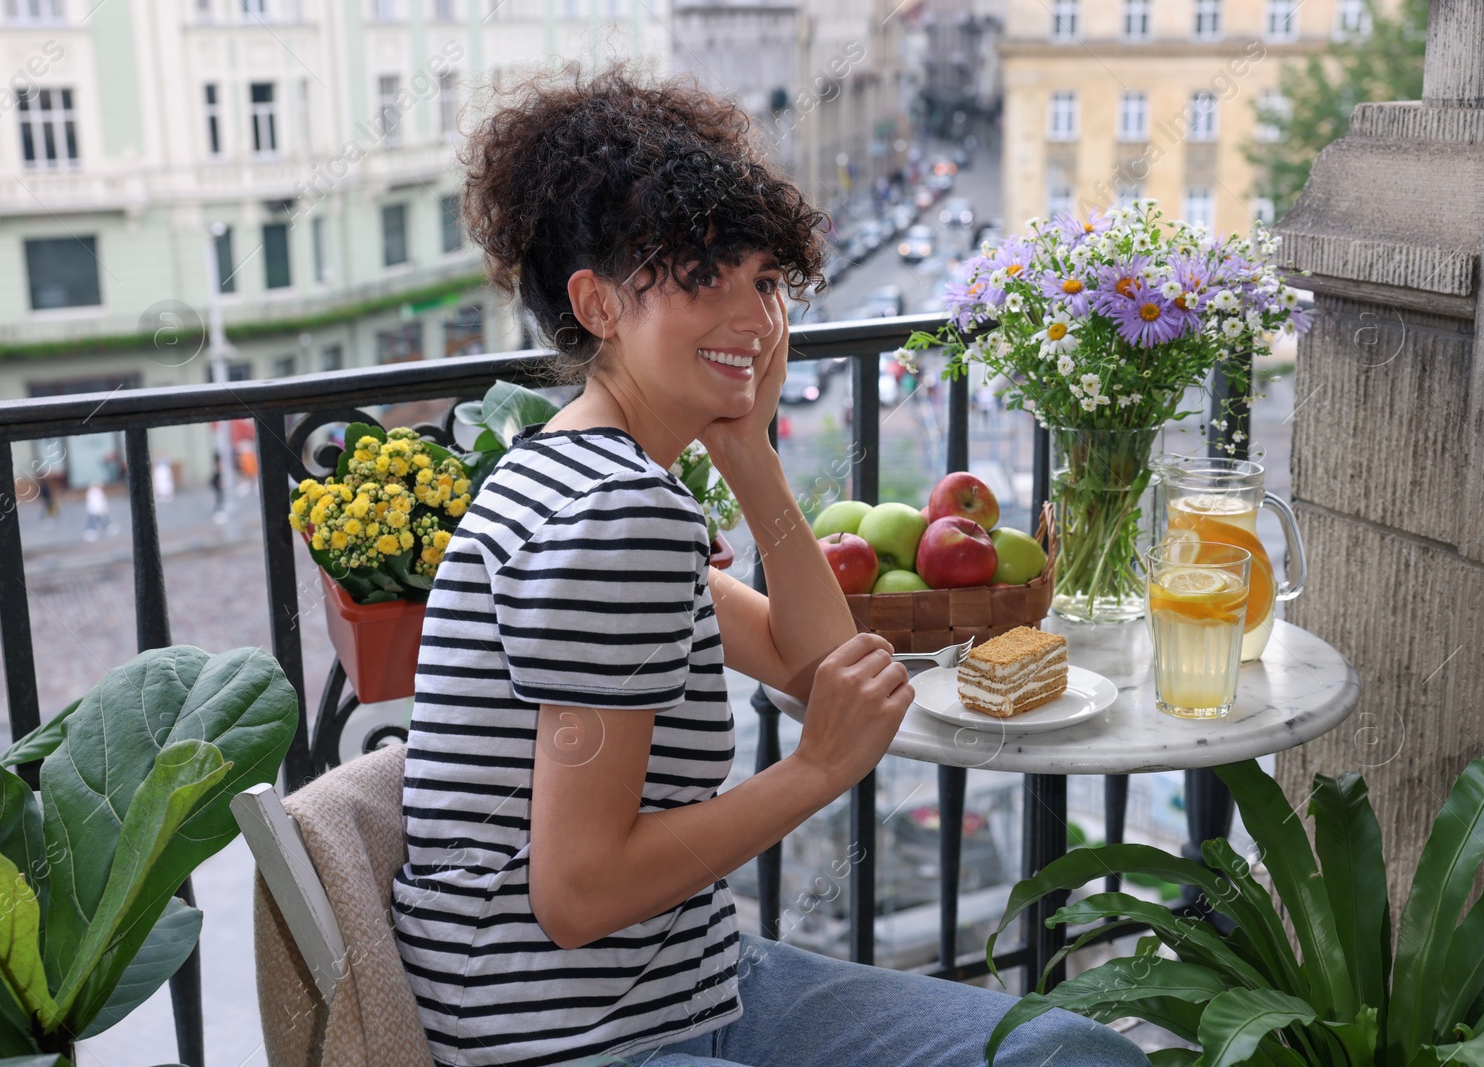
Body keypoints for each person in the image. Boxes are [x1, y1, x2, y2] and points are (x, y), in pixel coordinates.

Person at [390, 60, 1151, 1067]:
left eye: (765, 281)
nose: (753, 320)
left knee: (1061, 1049)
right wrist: (815, 770)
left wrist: (744, 446)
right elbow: (575, 895)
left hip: (680, 978)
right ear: (599, 304)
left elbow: (820, 666)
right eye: (703, 278)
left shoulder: (584, 468)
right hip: (583, 1034)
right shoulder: (611, 516)